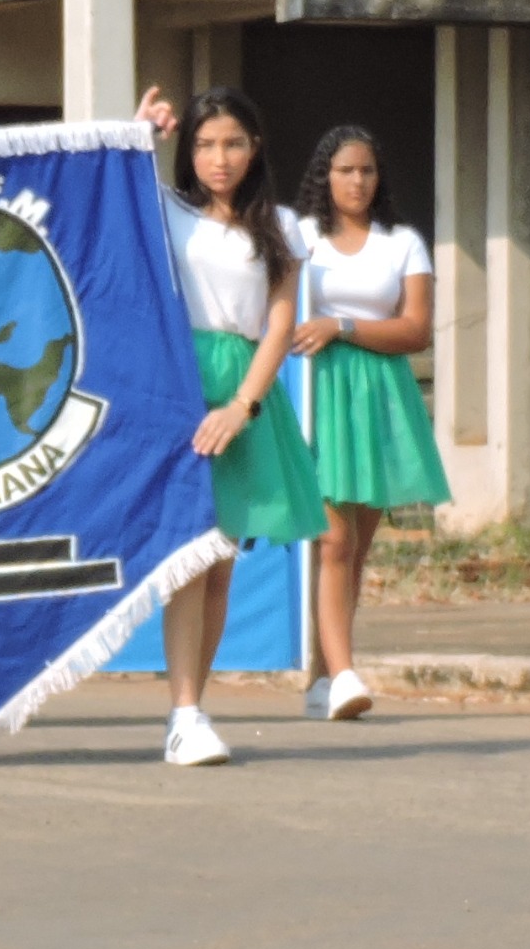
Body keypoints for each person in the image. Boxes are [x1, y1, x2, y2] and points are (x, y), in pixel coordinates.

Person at [137, 84, 325, 766]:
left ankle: (192, 709)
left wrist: (243, 405)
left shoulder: (281, 225)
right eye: (207, 144)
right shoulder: (163, 209)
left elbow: (280, 322)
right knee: (191, 559)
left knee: (218, 565)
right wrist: (139, 137)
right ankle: (184, 714)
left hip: (245, 396)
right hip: (180, 386)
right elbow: (108, 200)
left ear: (256, 148)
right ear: (189, 150)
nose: (220, 158)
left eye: (234, 144)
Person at [288, 124, 445, 722]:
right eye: (345, 170)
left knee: (354, 551)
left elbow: (416, 329)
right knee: (331, 540)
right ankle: (346, 672)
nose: (357, 181)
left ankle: (321, 676)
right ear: (323, 177)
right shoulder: (301, 238)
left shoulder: (402, 242)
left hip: (379, 395)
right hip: (316, 391)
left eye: (367, 171)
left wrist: (344, 326)